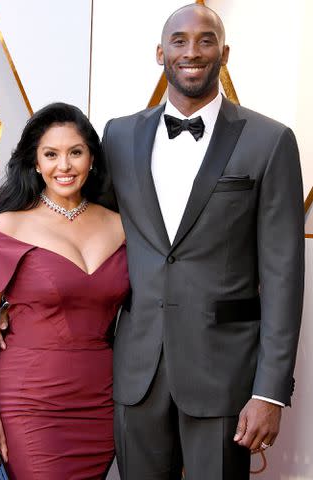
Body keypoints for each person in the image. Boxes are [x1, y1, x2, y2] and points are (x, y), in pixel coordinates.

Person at [100, 3, 304, 480]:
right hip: (136, 370)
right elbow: (86, 231)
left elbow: (283, 274)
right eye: (179, 40)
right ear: (160, 53)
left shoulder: (270, 141)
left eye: (206, 40)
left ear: (224, 53)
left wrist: (269, 391)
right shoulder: (119, 135)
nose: (192, 51)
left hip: (225, 375)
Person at [0, 103, 129, 479]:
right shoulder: (9, 227)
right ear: (35, 162)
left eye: (75, 152)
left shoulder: (122, 226)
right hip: (31, 405)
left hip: (100, 403)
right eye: (51, 154)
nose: (63, 165)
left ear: (92, 159)